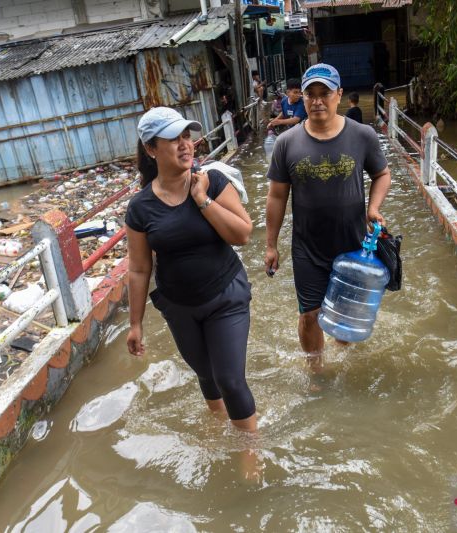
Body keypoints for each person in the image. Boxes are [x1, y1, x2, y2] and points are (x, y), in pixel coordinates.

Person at [126, 106, 258, 435]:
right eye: (174, 139)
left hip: (225, 294)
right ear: (151, 149)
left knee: (229, 378)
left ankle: (250, 454)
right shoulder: (140, 207)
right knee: (205, 373)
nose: (185, 144)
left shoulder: (211, 182)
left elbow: (242, 234)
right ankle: (218, 424)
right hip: (179, 306)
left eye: (187, 136)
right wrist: (135, 324)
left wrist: (202, 200)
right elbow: (140, 268)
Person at [264, 64, 391, 368]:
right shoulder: (286, 143)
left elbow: (382, 174)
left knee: (344, 321)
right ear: (303, 99)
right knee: (309, 314)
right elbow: (277, 196)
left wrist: (373, 208)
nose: (318, 101)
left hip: (352, 243)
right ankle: (316, 372)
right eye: (311, 95)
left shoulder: (362, 135)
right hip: (308, 246)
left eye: (325, 93)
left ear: (339, 95)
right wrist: (271, 244)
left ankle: (344, 356)